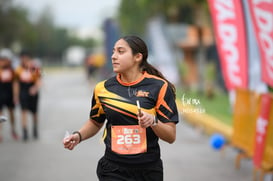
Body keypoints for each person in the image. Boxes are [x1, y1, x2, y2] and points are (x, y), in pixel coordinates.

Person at [63, 35, 179, 181]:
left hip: (148, 171)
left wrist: (153, 121)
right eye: (113, 52)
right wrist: (78, 136)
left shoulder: (159, 87)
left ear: (137, 57)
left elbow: (171, 136)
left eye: (120, 51)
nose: (113, 56)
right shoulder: (102, 88)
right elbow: (95, 122)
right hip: (113, 169)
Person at [14, 51, 42, 141]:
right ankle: (24, 131)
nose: (24, 60)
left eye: (26, 58)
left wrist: (35, 88)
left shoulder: (34, 68)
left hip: (32, 90)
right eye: (22, 58)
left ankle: (35, 128)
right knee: (23, 111)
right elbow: (16, 83)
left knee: (34, 112)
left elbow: (40, 80)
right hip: (23, 91)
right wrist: (16, 95)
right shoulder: (18, 70)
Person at [0, 49, 19, 142]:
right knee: (0, 115)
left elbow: (15, 83)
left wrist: (15, 96)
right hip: (1, 94)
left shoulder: (12, 70)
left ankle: (13, 130)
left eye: (4, 59)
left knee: (11, 113)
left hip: (9, 94)